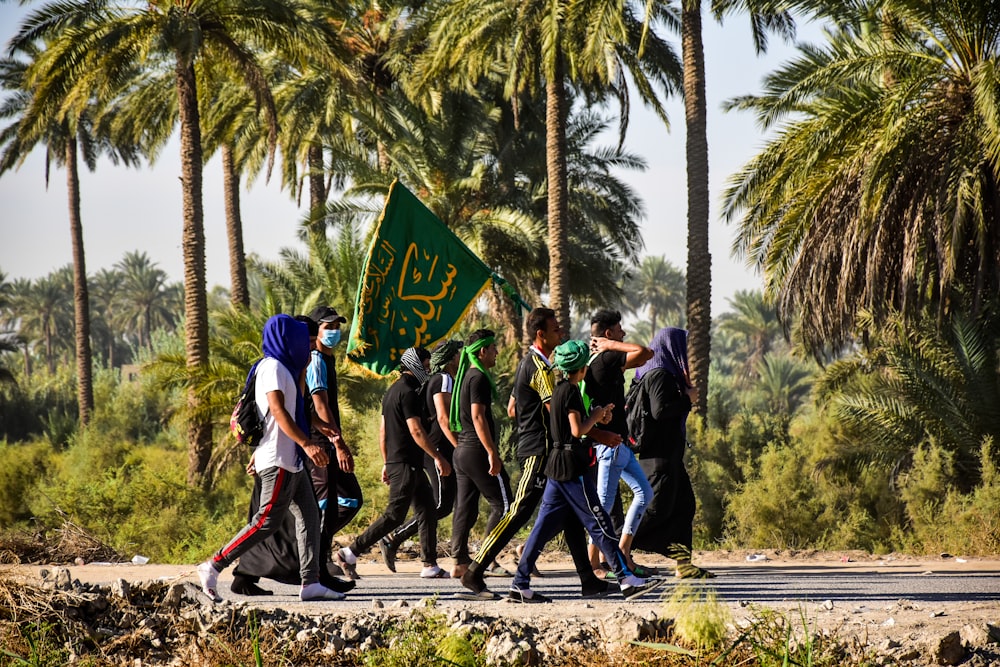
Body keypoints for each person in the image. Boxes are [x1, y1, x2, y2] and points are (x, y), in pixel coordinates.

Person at [460, 307, 609, 600]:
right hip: (539, 452)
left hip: (545, 449)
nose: (561, 334)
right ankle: (474, 572)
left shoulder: (530, 364)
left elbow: (515, 408)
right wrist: (597, 428)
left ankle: (588, 580)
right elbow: (559, 413)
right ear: (541, 334)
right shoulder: (540, 368)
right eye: (556, 330)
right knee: (518, 511)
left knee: (569, 516)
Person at [197, 314, 346, 602]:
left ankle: (310, 582)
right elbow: (279, 411)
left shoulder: (289, 370)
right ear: (286, 339)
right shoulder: (272, 368)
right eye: (303, 339)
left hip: (291, 460)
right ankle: (213, 565)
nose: (308, 344)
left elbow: (299, 407)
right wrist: (307, 444)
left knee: (310, 517)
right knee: (266, 520)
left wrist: (317, 423)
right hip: (278, 459)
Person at [509, 339, 659, 602]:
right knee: (599, 522)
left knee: (542, 528)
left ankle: (520, 583)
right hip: (571, 467)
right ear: (581, 368)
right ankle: (626, 580)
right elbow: (578, 430)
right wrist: (597, 415)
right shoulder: (572, 392)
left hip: (556, 466)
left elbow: (572, 426)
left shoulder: (558, 390)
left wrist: (597, 418)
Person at [334, 347, 453, 579]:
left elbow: (383, 432)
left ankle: (430, 565)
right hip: (406, 464)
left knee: (427, 510)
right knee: (394, 515)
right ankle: (349, 552)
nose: (427, 371)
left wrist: (387, 462)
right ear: (414, 365)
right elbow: (416, 431)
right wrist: (438, 457)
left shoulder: (392, 391)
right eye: (425, 366)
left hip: (406, 464)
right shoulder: (408, 392)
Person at [630, 327, 714, 579]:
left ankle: (683, 564)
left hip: (668, 455)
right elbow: (660, 411)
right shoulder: (660, 374)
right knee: (656, 509)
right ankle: (615, 549)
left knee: (683, 506)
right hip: (659, 457)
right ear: (672, 346)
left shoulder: (659, 373)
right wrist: (688, 399)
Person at [378, 339, 463, 572]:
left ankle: (428, 562)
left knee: (436, 505)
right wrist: (456, 449)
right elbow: (443, 420)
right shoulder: (442, 379)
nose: (460, 357)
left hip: (429, 452)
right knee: (437, 504)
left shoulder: (415, 386)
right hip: (435, 450)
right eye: (456, 353)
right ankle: (392, 539)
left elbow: (383, 430)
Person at [583, 309, 657, 579]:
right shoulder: (606, 358)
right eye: (619, 330)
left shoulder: (604, 361)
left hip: (621, 445)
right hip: (609, 446)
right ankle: (594, 564)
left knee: (644, 494)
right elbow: (646, 352)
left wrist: (611, 345)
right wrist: (611, 345)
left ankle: (623, 550)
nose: (623, 333)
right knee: (601, 505)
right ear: (607, 334)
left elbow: (641, 354)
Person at [448, 330, 514, 579]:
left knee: (465, 507)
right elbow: (477, 417)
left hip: (463, 451)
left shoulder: (467, 376)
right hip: (476, 450)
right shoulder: (478, 379)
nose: (497, 352)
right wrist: (491, 452)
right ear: (482, 351)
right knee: (506, 505)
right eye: (494, 348)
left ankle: (459, 563)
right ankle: (486, 559)